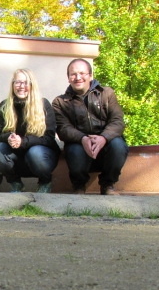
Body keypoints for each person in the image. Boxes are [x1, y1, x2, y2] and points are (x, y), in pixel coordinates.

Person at [52, 58, 128, 195]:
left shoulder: (107, 93)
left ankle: (107, 185)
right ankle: (79, 187)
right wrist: (83, 139)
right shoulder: (60, 102)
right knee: (73, 150)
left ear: (90, 75)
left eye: (82, 73)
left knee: (118, 145)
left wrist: (103, 138)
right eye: (73, 74)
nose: (78, 77)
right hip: (78, 145)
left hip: (106, 145)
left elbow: (117, 121)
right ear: (68, 78)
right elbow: (63, 128)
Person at [0, 69, 60, 193]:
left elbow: (49, 138)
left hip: (40, 157)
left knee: (35, 153)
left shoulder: (43, 105)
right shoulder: (4, 106)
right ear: (12, 85)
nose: (21, 86)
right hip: (16, 158)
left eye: (26, 82)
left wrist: (23, 141)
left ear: (32, 85)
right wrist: (9, 137)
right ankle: (15, 183)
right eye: (17, 82)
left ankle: (45, 182)